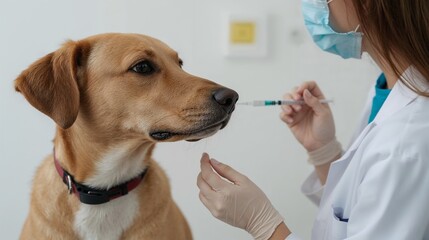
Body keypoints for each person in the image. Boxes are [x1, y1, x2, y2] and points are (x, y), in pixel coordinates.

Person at [197, 0, 429, 239]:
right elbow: (357, 206)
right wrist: (323, 151)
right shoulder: (387, 90)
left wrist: (264, 225)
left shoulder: (407, 141)